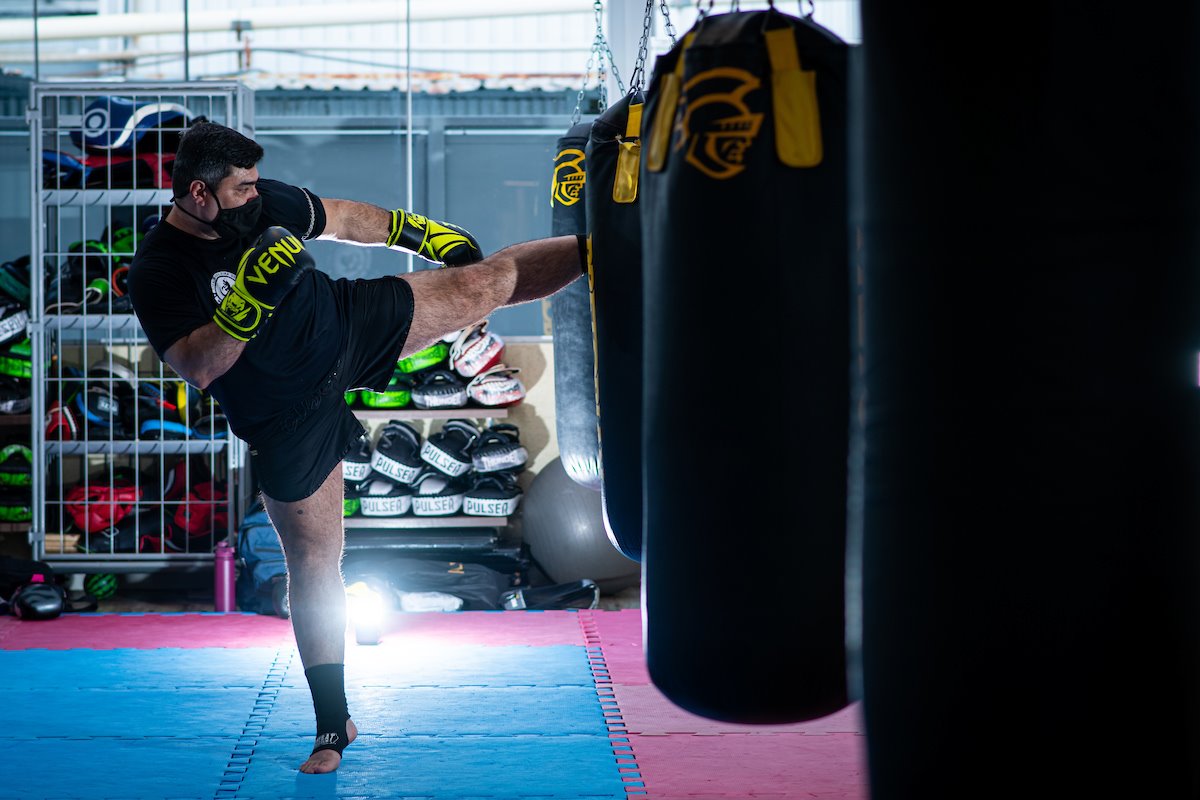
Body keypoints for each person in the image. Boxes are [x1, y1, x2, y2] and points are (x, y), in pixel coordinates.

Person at [128, 121, 585, 774]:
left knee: (481, 284)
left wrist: (416, 232)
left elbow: (343, 217)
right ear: (199, 194)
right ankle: (331, 723)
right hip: (285, 409)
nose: (257, 198)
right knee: (316, 563)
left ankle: (614, 248)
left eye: (258, 184)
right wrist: (249, 302)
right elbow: (199, 365)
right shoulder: (158, 271)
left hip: (341, 324)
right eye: (242, 189)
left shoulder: (258, 203)